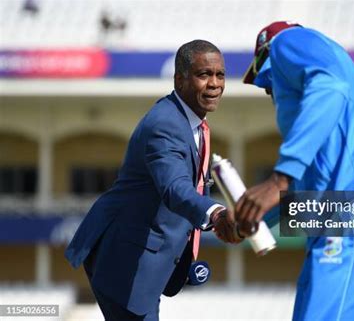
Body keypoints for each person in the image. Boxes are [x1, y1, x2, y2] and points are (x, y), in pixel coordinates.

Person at [236, 21, 354, 321]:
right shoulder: (325, 120)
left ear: (265, 59)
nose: (271, 96)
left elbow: (329, 86)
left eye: (268, 86)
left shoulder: (289, 43)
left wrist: (278, 177)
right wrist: (252, 217)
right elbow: (305, 193)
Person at [65, 40, 241, 321]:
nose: (214, 84)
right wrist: (215, 213)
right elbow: (175, 188)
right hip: (123, 261)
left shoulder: (191, 121)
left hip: (143, 263)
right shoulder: (166, 124)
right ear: (179, 79)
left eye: (220, 74)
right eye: (204, 74)